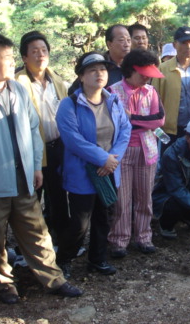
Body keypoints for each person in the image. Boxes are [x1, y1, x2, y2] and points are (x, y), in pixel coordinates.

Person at [0, 34, 81, 304]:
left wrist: (36, 165)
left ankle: (54, 279)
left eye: (13, 58)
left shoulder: (19, 90)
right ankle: (4, 284)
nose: (13, 63)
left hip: (22, 179)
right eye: (8, 58)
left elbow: (34, 130)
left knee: (37, 233)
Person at [55, 52, 131, 277]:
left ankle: (98, 259)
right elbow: (72, 139)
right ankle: (64, 259)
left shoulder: (113, 100)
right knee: (80, 222)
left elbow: (125, 130)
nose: (99, 74)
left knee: (103, 218)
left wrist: (112, 159)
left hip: (108, 170)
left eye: (103, 70)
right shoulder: (69, 105)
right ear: (81, 76)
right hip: (83, 173)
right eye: (92, 70)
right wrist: (103, 158)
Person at [108, 49, 166, 257]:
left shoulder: (151, 92)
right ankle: (119, 240)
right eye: (143, 73)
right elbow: (115, 123)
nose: (147, 77)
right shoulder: (112, 92)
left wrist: (132, 119)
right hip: (121, 153)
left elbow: (159, 120)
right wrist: (142, 122)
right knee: (122, 200)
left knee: (144, 197)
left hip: (147, 150)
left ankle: (144, 236)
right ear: (131, 70)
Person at [15, 31, 69, 245]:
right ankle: (29, 246)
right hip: (31, 151)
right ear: (24, 58)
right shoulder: (17, 83)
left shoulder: (57, 80)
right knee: (32, 199)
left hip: (58, 148)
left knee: (58, 196)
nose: (40, 55)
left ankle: (62, 241)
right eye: (34, 51)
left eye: (44, 50)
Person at [152, 26, 190, 153]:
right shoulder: (163, 69)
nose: (188, 47)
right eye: (184, 43)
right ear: (175, 44)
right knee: (172, 164)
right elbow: (154, 100)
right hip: (171, 129)